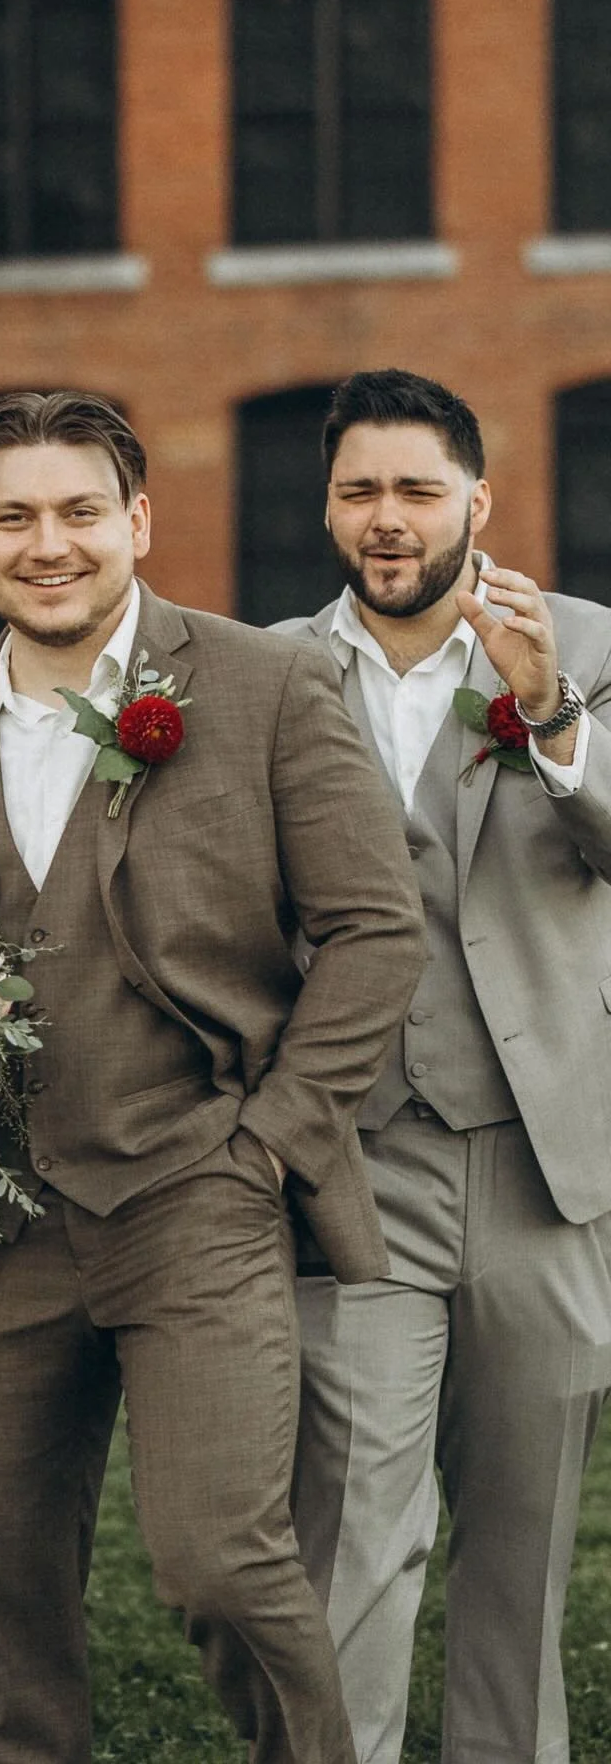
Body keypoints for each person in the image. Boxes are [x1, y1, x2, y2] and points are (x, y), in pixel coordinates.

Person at [0, 390, 425, 1764]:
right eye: (17, 517)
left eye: (82, 513)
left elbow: (374, 930)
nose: (53, 545)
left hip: (198, 1192)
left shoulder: (268, 686)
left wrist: (266, 1141)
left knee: (222, 1558)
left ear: (138, 523)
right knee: (8, 1596)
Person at [279, 368, 611, 1764]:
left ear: (479, 499)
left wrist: (549, 718)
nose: (388, 518)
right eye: (361, 491)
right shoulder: (266, 670)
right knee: (350, 1537)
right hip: (360, 1164)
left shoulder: (589, 643)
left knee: (523, 1554)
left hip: (547, 1169)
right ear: (330, 507)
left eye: (417, 490)